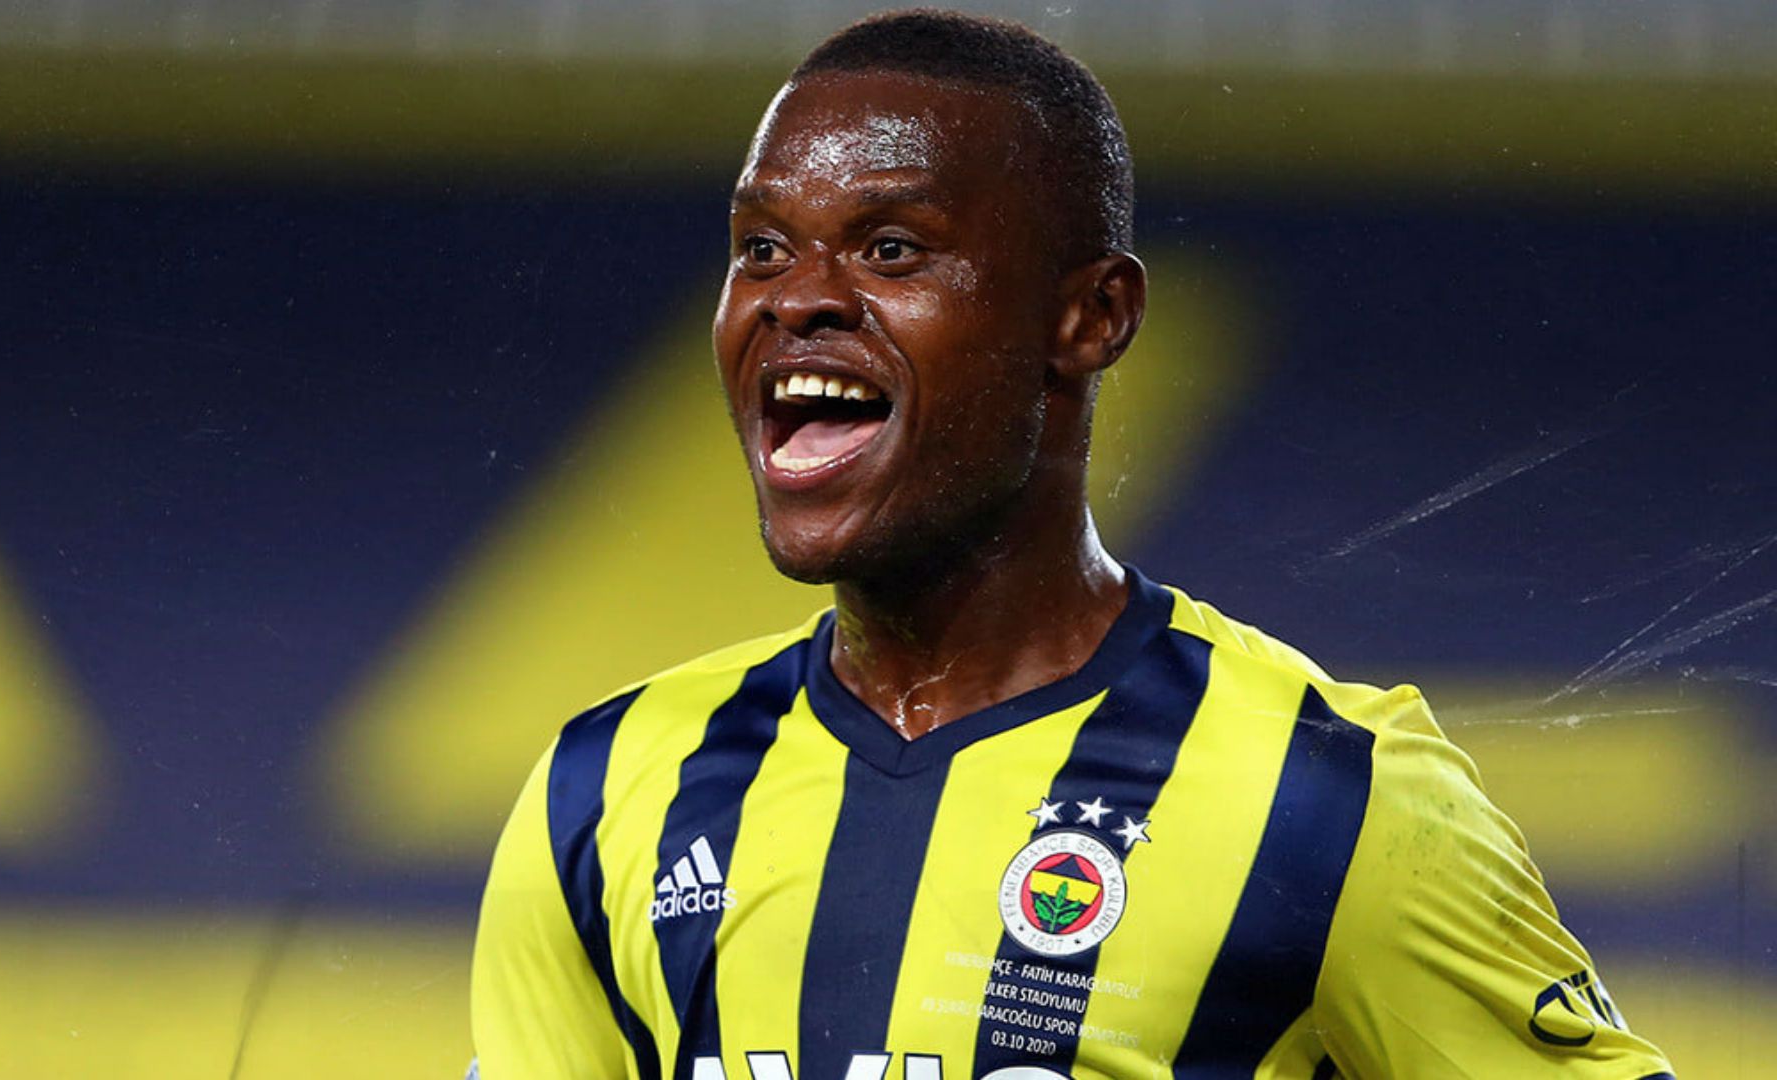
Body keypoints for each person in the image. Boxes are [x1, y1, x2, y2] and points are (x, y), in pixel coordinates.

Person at [469, 9, 1675, 1079]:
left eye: (890, 250)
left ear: (1092, 316)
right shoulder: (610, 791)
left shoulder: (1330, 803)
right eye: (761, 248)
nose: (799, 297)